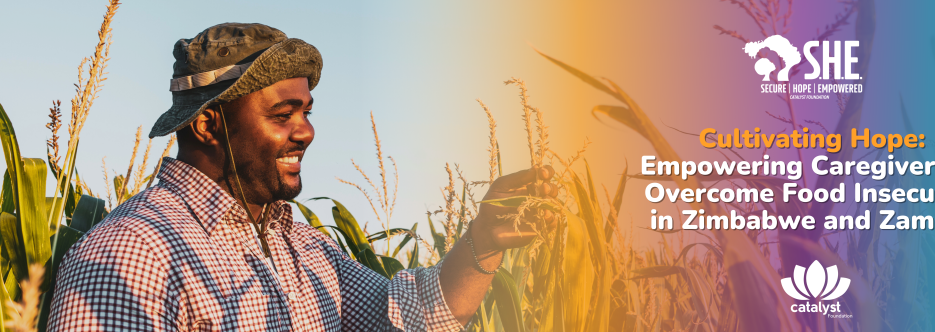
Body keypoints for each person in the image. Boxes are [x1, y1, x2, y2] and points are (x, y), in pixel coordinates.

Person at [47, 23, 556, 331]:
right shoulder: (129, 257)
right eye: (282, 114)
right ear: (208, 125)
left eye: (307, 113)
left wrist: (485, 240)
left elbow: (411, 317)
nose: (306, 132)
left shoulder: (303, 248)